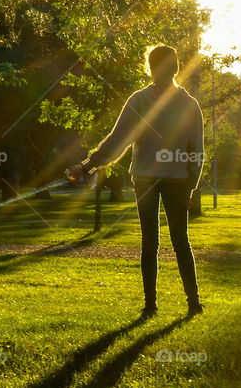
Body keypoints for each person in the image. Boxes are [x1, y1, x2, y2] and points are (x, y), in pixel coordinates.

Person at [68, 45, 205, 320]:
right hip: (147, 179)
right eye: (158, 67)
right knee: (153, 241)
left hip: (175, 182)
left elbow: (197, 150)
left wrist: (191, 185)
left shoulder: (188, 105)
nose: (161, 73)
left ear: (175, 69)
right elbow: (119, 138)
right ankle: (153, 305)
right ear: (151, 69)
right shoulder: (140, 101)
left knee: (177, 240)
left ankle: (191, 303)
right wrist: (88, 165)